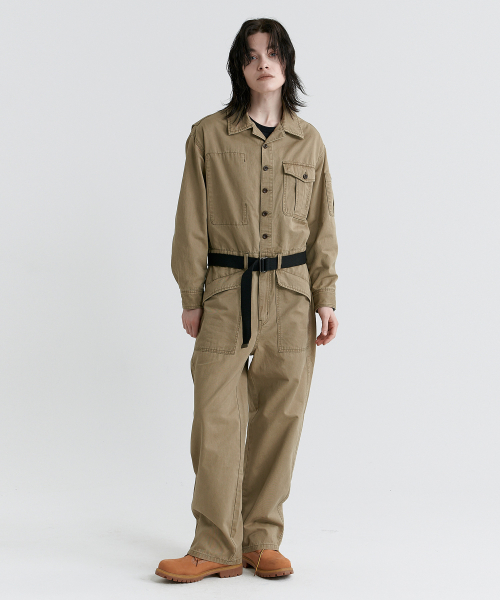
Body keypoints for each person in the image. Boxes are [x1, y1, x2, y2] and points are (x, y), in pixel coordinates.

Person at [155, 17, 339, 583]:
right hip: (224, 292)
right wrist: (191, 295)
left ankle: (261, 539)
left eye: (273, 52)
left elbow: (322, 226)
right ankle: (215, 545)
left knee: (281, 416)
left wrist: (326, 295)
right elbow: (190, 221)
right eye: (253, 54)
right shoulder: (207, 135)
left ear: (287, 63)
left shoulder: (309, 141)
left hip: (291, 295)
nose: (264, 63)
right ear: (240, 66)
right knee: (215, 417)